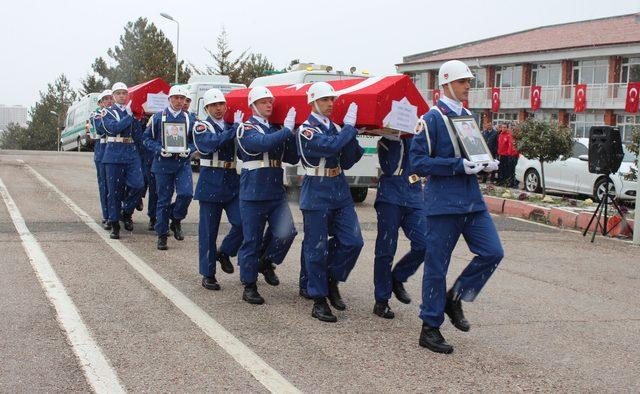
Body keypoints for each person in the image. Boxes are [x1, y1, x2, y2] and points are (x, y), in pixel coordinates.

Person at [409, 59, 503, 354]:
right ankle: (430, 327)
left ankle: (456, 297)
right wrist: (458, 165)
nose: (467, 87)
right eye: (463, 82)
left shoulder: (468, 117)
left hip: (471, 201)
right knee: (437, 266)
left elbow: (474, 155)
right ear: (446, 83)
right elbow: (418, 162)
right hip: (443, 203)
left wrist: (485, 163)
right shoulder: (431, 119)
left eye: (468, 82)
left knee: (492, 252)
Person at [296, 82, 364, 322]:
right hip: (316, 191)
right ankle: (318, 299)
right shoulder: (306, 130)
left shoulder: (336, 127)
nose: (330, 104)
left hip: (339, 189)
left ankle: (332, 279)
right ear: (313, 102)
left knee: (353, 242)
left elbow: (347, 160)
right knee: (317, 247)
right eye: (325, 100)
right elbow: (330, 147)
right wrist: (348, 129)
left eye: (332, 100)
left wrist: (354, 133)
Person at [235, 86, 299, 305]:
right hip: (253, 190)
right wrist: (285, 131)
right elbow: (260, 144)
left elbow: (292, 157)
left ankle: (266, 261)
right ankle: (249, 285)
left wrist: (292, 134)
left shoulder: (276, 128)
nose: (268, 105)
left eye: (270, 101)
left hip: (274, 189)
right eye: (263, 102)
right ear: (253, 105)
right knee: (251, 239)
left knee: (287, 232)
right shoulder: (246, 127)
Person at [193, 88, 244, 290]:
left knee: (242, 223)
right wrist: (235, 130)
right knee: (208, 232)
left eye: (221, 104)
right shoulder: (201, 127)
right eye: (214, 105)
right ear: (207, 107)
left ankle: (225, 251)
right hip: (210, 182)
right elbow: (211, 144)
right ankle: (208, 273)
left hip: (231, 181)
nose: (218, 108)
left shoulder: (233, 125)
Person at [373, 133, 426, 319]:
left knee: (425, 243)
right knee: (386, 249)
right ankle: (381, 299)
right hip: (390, 195)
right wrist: (395, 138)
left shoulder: (420, 136)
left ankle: (397, 277)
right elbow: (390, 166)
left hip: (413, 195)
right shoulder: (388, 139)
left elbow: (425, 165)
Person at [143, 85, 196, 250]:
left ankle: (176, 219)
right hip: (163, 163)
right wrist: (160, 149)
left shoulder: (189, 119)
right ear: (170, 99)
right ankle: (162, 234)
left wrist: (190, 149)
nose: (179, 101)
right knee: (163, 199)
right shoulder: (158, 118)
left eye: (182, 98)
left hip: (182, 163)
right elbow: (146, 140)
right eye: (176, 98)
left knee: (186, 194)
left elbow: (196, 141)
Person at [100, 82, 145, 239]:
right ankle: (114, 224)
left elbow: (138, 136)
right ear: (113, 96)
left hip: (131, 152)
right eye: (118, 93)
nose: (121, 96)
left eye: (124, 93)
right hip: (113, 153)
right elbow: (114, 128)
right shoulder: (107, 112)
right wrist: (128, 116)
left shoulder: (131, 112)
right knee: (114, 191)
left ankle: (126, 211)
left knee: (138, 185)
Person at [90, 89, 113, 230]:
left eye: (111, 98)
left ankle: (117, 212)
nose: (109, 101)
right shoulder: (97, 114)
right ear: (100, 103)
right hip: (102, 151)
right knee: (105, 186)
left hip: (116, 151)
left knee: (117, 186)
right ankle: (107, 215)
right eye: (105, 99)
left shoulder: (117, 113)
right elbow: (102, 129)